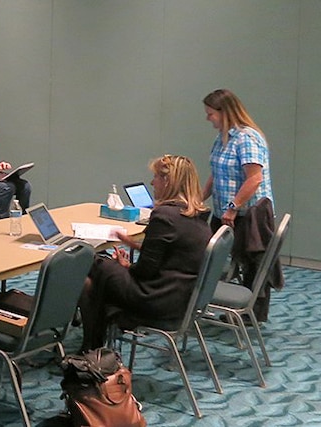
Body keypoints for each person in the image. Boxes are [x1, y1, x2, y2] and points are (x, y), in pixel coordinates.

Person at [79, 155, 212, 350]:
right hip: (181, 297)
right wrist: (132, 251)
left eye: (156, 177)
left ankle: (91, 345)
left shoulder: (165, 216)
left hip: (154, 298)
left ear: (168, 182)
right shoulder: (198, 215)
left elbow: (144, 272)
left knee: (92, 261)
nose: (152, 182)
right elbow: (174, 256)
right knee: (95, 280)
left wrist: (127, 267)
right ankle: (93, 345)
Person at [201, 88, 278, 321]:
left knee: (253, 265)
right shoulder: (222, 137)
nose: (208, 118)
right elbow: (215, 173)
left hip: (248, 212)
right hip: (225, 210)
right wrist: (198, 199)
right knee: (207, 252)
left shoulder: (247, 138)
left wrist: (234, 206)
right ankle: (207, 300)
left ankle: (251, 314)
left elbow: (254, 178)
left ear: (225, 112)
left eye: (211, 113)